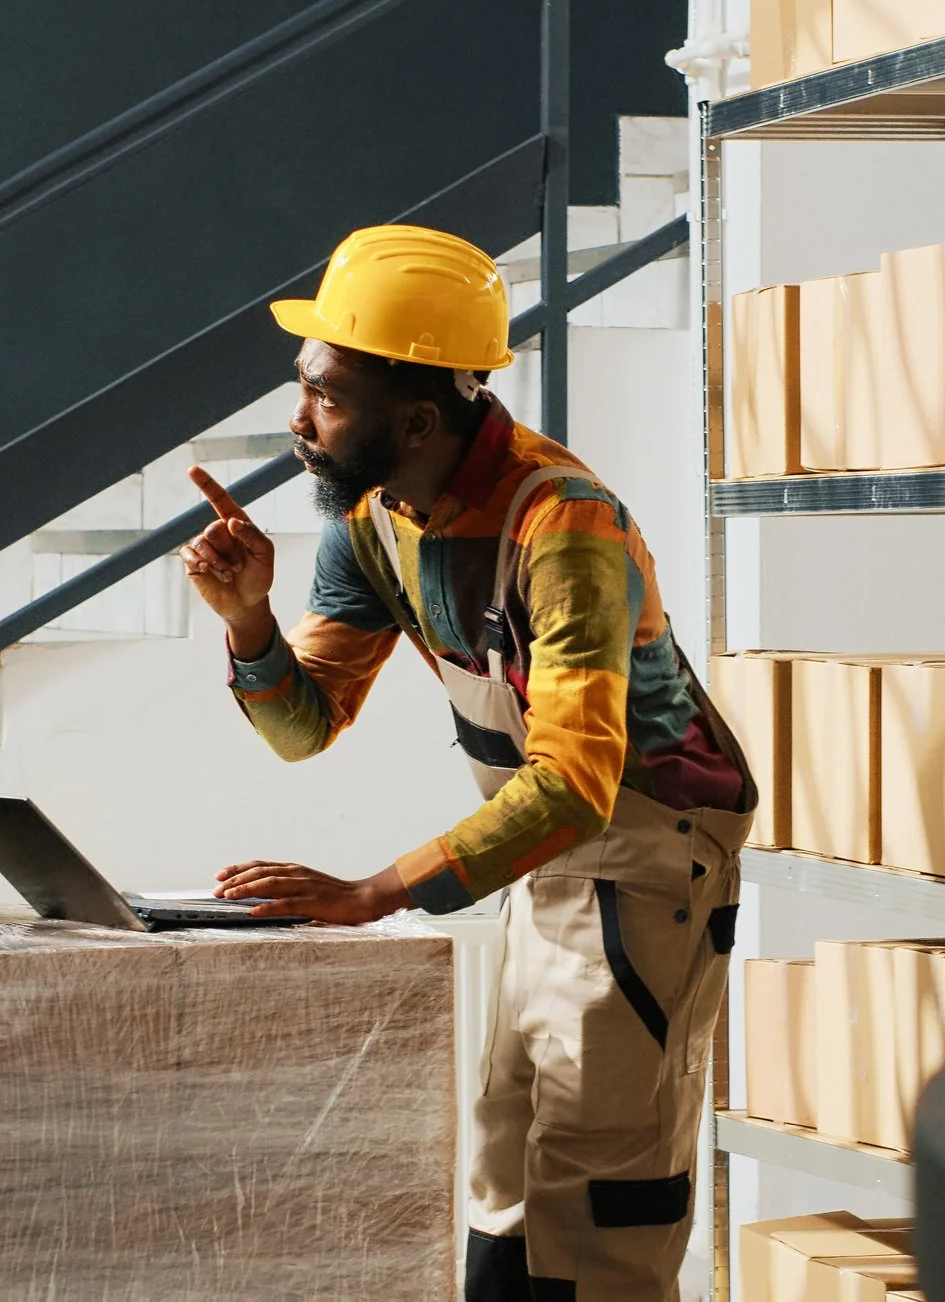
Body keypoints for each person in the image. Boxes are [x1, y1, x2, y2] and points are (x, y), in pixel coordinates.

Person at [182, 224, 754, 1301]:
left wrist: (373, 892)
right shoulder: (375, 521)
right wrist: (249, 619)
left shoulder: (565, 526)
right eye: (303, 390)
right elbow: (307, 723)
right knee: (507, 1162)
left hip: (646, 858)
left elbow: (580, 781)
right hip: (544, 857)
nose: (299, 420)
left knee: (597, 1196)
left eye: (326, 397)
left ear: (415, 417)